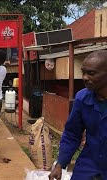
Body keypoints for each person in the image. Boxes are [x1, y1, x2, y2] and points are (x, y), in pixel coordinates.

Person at [49, 50, 107, 180]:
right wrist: (60, 164)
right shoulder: (82, 98)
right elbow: (72, 133)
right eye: (84, 72)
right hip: (89, 163)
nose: (85, 77)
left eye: (91, 73)